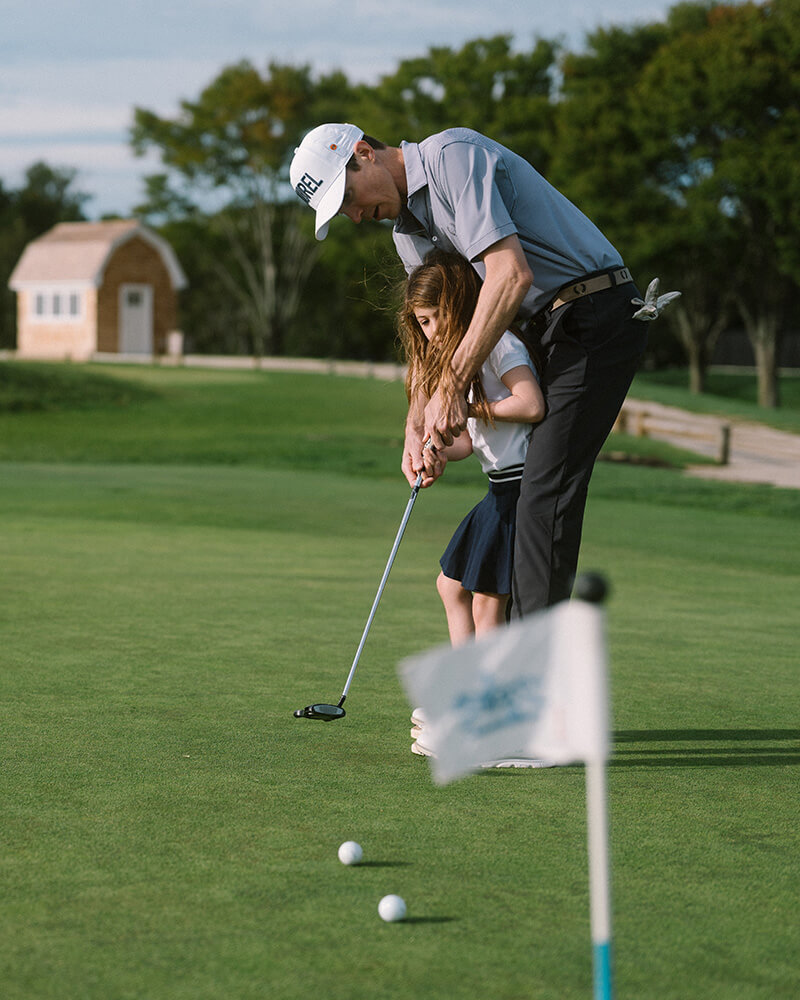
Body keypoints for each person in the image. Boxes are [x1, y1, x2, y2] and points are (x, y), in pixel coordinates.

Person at [290, 123, 650, 616]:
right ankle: (508, 674)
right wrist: (416, 425)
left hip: (593, 312)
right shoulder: (408, 236)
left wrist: (454, 389)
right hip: (547, 329)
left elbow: (510, 275)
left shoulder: (451, 157)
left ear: (364, 153)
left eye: (347, 197)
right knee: (530, 496)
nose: (354, 217)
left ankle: (532, 680)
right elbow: (432, 340)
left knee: (543, 494)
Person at [398, 250, 544, 645]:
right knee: (450, 586)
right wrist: (440, 452)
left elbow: (531, 404)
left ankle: (482, 702)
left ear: (458, 304)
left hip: (519, 486)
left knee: (487, 603)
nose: (429, 332)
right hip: (498, 486)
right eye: (421, 322)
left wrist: (470, 406)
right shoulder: (459, 363)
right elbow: (467, 441)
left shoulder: (499, 345)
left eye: (434, 317)